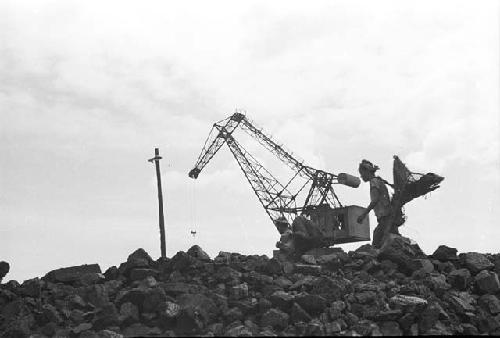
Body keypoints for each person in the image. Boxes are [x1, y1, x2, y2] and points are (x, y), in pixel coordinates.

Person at [357, 159, 400, 248]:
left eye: (362, 173)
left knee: (377, 241)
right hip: (388, 217)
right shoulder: (379, 181)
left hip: (385, 217)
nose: (361, 176)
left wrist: (363, 215)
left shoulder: (374, 182)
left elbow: (375, 200)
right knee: (392, 241)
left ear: (366, 171)